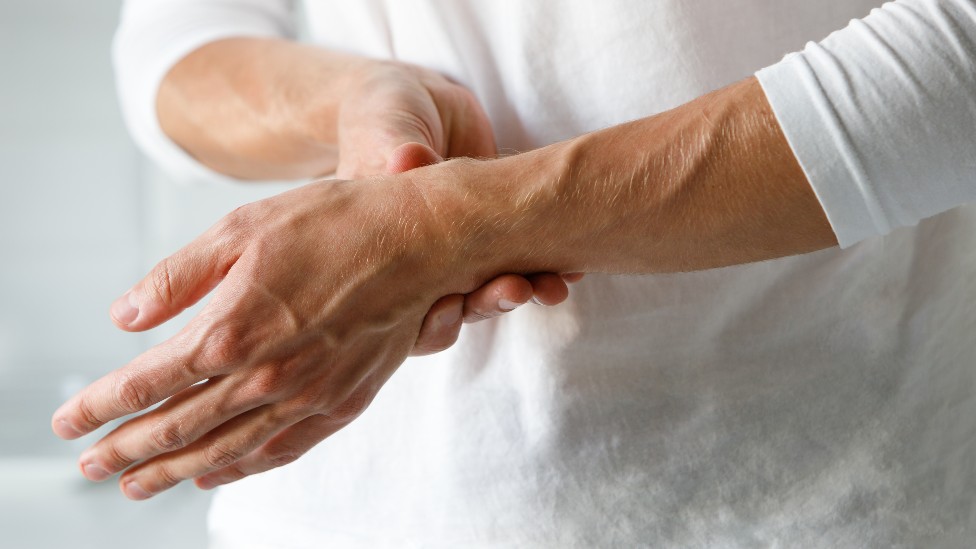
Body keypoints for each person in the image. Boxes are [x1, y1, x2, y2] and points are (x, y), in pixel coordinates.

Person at [53, 0, 976, 546]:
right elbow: (170, 47)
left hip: (808, 494)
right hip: (342, 513)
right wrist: (359, 100)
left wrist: (455, 225)